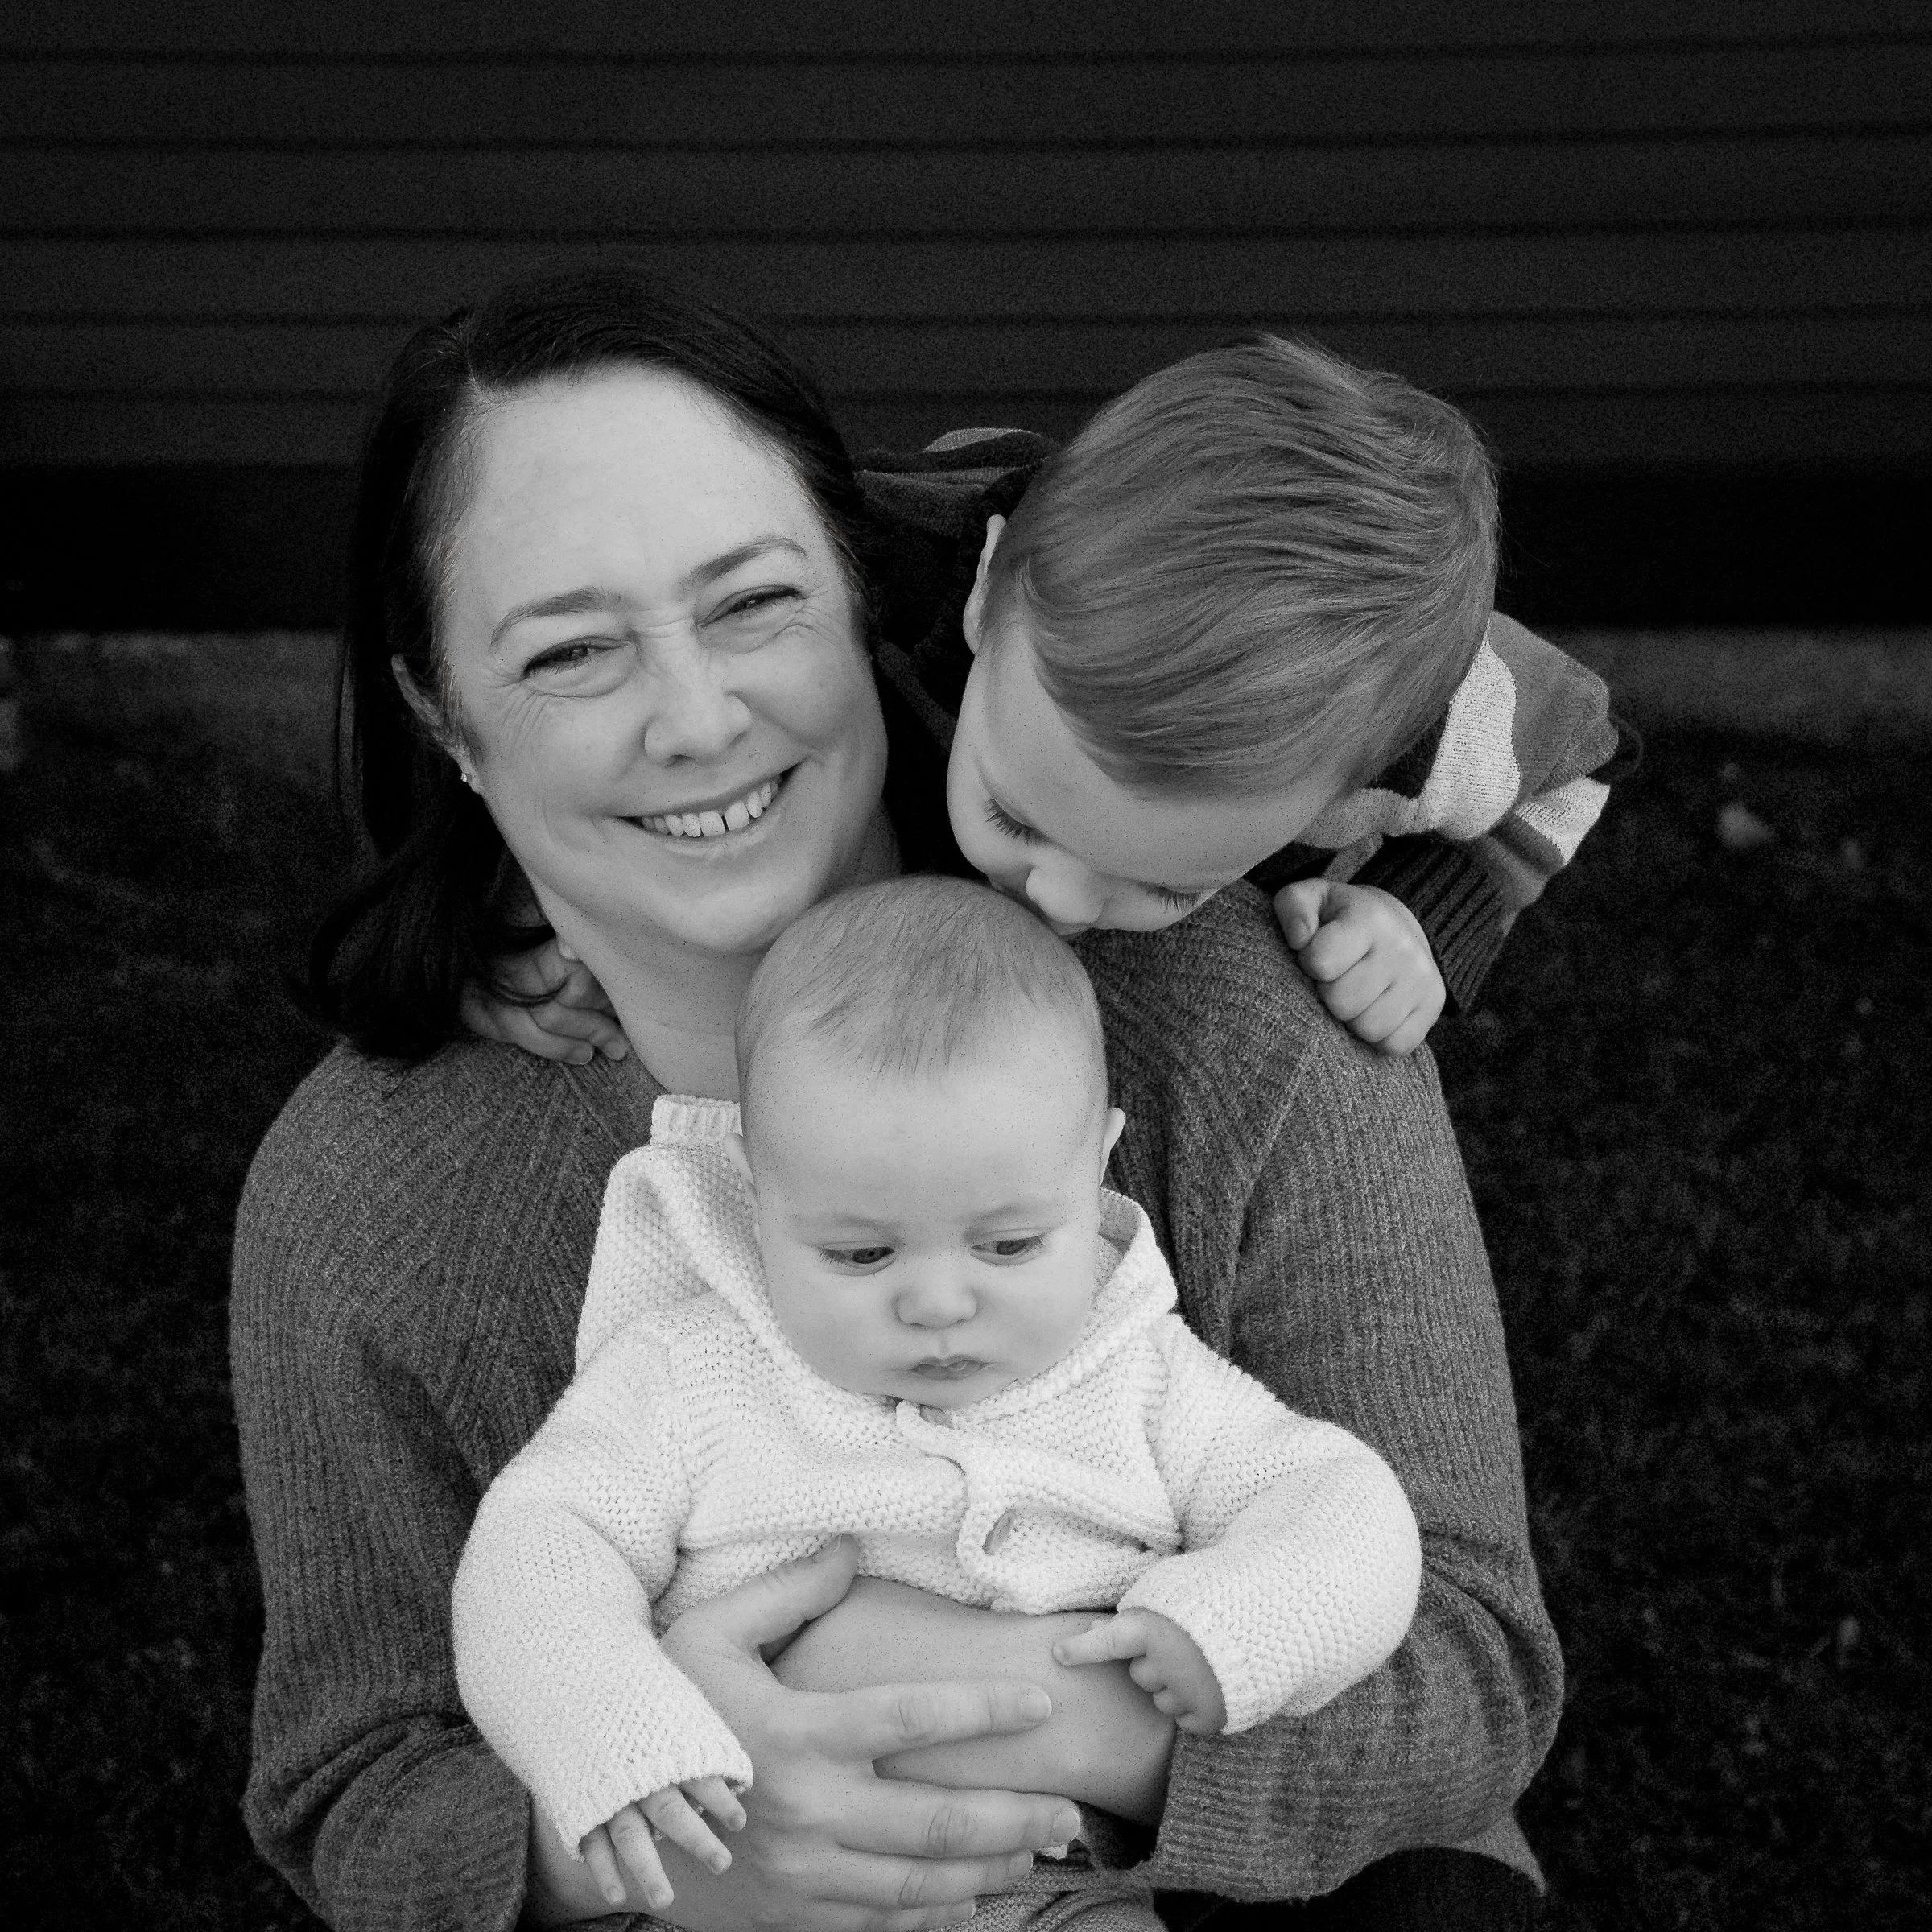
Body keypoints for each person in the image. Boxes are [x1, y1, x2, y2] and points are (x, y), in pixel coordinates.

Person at [231, 266, 1563, 1932]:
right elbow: (356, 1789)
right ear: (447, 717)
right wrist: (694, 1835)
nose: (698, 719)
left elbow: (1473, 1670)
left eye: (752, 604)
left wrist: (1011, 1714)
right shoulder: (368, 1192)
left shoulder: (1230, 1007)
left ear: (866, 595)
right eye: (573, 653)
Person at [452, 876, 1423, 1930]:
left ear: (1095, 1164)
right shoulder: (693, 1373)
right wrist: (621, 1735)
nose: (938, 1302)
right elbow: (542, 1542)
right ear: (756, 1192)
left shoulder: (1140, 1381)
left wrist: (1243, 1627)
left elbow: (1336, 1498)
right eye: (860, 1252)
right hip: (747, 1886)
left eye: (1009, 1245)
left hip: (1043, 1888)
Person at [488, 337, 1627, 1070]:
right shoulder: (883, 544)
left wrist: (1429, 912)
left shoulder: (1440, 725)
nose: (1061, 901)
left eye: (1168, 881)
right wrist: (503, 907)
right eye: (1023, 817)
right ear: (986, 594)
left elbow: (1591, 757)